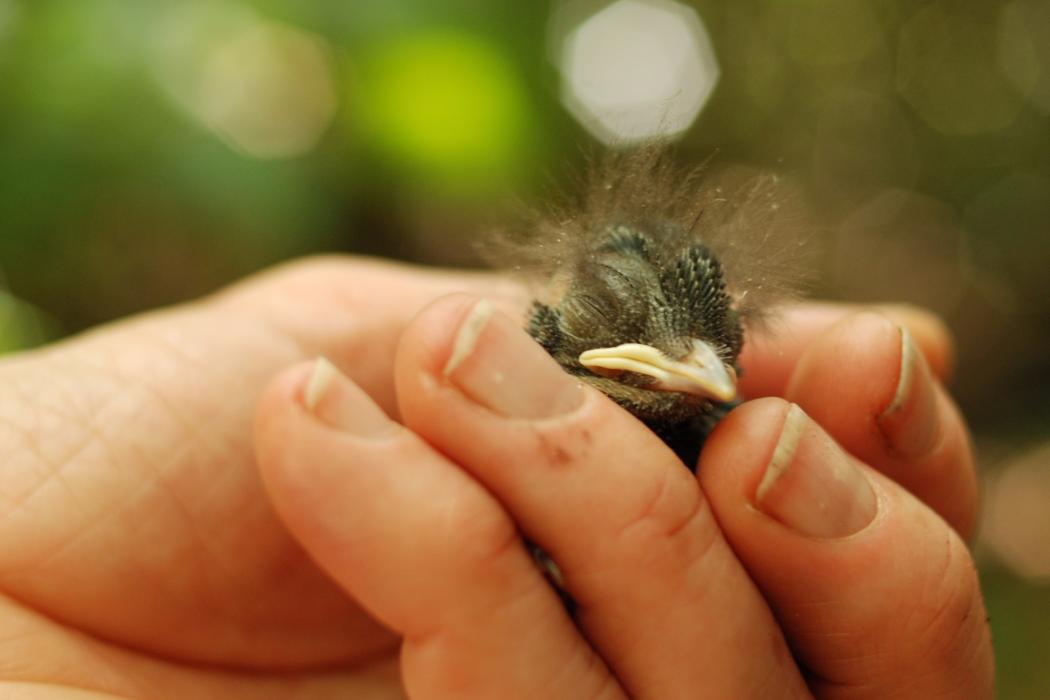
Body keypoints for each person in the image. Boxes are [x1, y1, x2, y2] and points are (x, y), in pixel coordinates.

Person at [0, 256, 993, 698]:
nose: (691, 370)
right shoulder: (456, 410)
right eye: (621, 328)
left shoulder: (737, 447)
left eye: (706, 352)